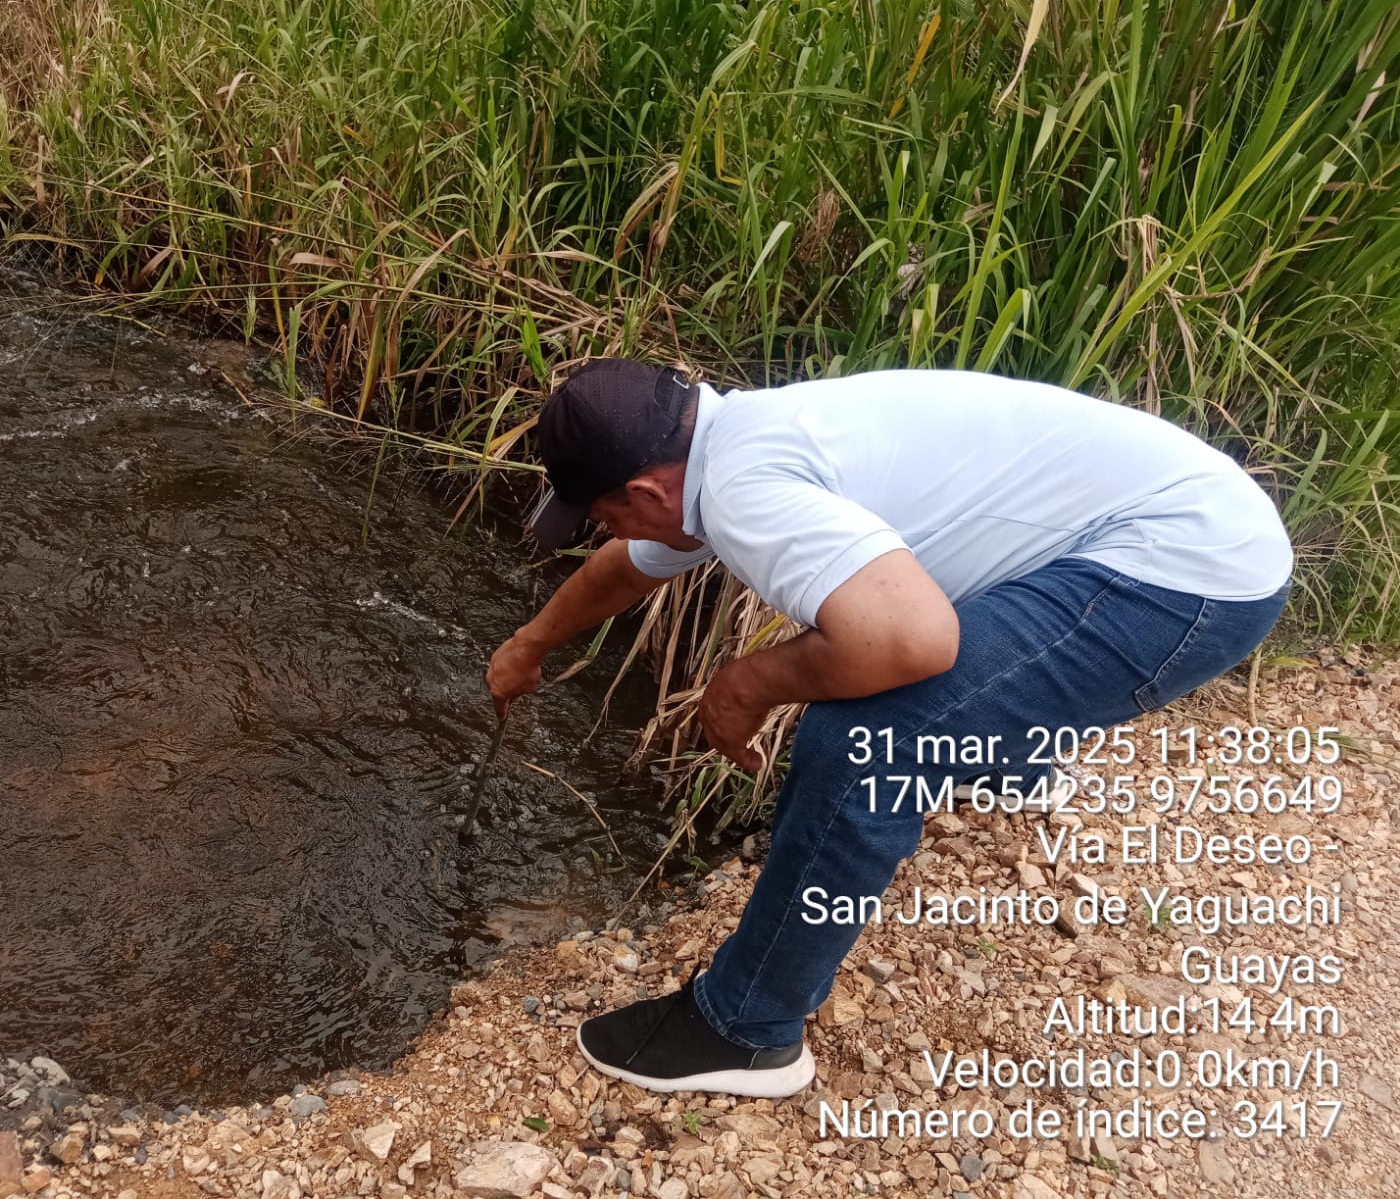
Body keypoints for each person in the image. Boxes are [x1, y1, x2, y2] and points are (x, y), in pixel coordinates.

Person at [485, 358, 1293, 1099]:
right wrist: (529, 645)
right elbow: (628, 567)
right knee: (928, 670)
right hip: (1186, 519)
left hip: (1183, 579)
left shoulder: (741, 489)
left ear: (648, 493)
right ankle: (1007, 754)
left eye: (606, 515)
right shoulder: (737, 436)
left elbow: (912, 640)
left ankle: (746, 1027)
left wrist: (746, 682)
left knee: (867, 742)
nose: (615, 533)